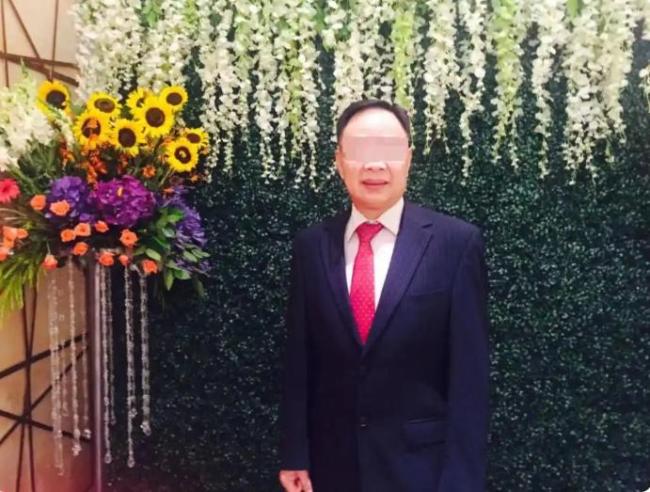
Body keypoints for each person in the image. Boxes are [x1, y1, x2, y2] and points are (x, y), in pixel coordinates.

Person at [278, 98, 490, 492]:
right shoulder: (311, 246)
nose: (374, 164)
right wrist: (295, 452)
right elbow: (299, 359)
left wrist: (461, 482)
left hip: (422, 471)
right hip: (331, 467)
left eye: (388, 149)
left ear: (408, 158)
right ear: (339, 160)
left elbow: (470, 378)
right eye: (360, 150)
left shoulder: (455, 244)